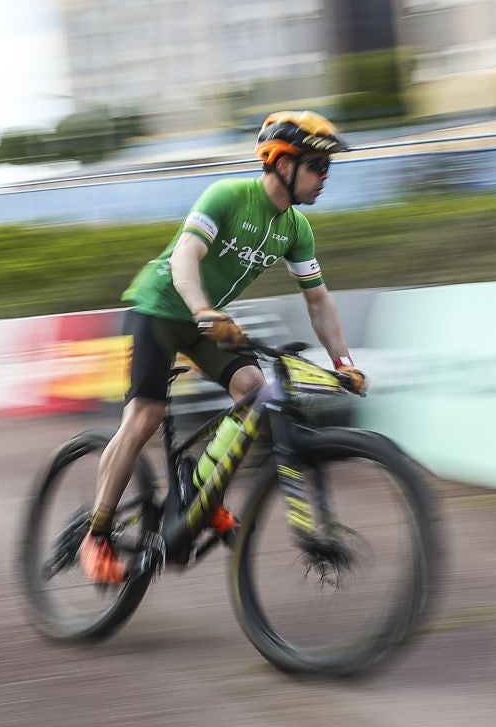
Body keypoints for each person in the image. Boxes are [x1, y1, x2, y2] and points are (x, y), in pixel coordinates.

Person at [80, 111, 368, 585]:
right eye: (318, 166)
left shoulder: (295, 228)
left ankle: (202, 495)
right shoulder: (230, 195)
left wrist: (344, 363)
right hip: (160, 308)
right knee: (146, 416)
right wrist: (203, 310)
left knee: (255, 389)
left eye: (328, 168)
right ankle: (98, 535)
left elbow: (318, 301)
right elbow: (185, 255)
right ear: (281, 163)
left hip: (204, 320)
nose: (325, 178)